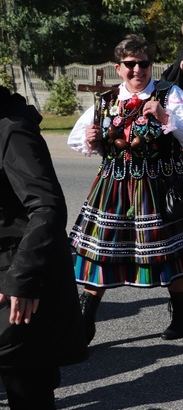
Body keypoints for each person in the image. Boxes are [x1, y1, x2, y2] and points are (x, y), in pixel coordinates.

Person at [68, 35, 183, 342]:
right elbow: (79, 139)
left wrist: (166, 117)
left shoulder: (168, 94)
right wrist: (92, 139)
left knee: (171, 250)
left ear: (150, 65)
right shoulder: (107, 100)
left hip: (161, 184)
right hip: (116, 185)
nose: (137, 70)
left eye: (143, 63)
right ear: (119, 68)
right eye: (130, 64)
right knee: (102, 250)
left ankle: (180, 312)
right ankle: (86, 318)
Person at [0, 88, 88, 408]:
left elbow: (47, 208)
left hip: (17, 285)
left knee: (28, 387)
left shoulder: (11, 129)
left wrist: (21, 280)